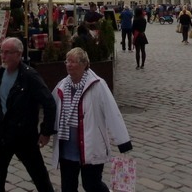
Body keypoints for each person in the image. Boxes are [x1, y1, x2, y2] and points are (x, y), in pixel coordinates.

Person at [52, 47, 132, 192]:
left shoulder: (98, 85)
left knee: (92, 185)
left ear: (84, 64)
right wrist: (46, 131)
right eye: (67, 61)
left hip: (91, 147)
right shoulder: (62, 85)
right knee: (68, 187)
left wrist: (123, 141)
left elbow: (112, 112)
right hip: (67, 148)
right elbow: (52, 109)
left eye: (73, 61)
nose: (69, 65)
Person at [0, 37, 56, 192]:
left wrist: (45, 132)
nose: (3, 56)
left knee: (39, 175)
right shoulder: (0, 72)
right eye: (1, 52)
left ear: (19, 54)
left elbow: (49, 103)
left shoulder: (30, 76)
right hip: (2, 133)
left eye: (7, 53)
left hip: (23, 136)